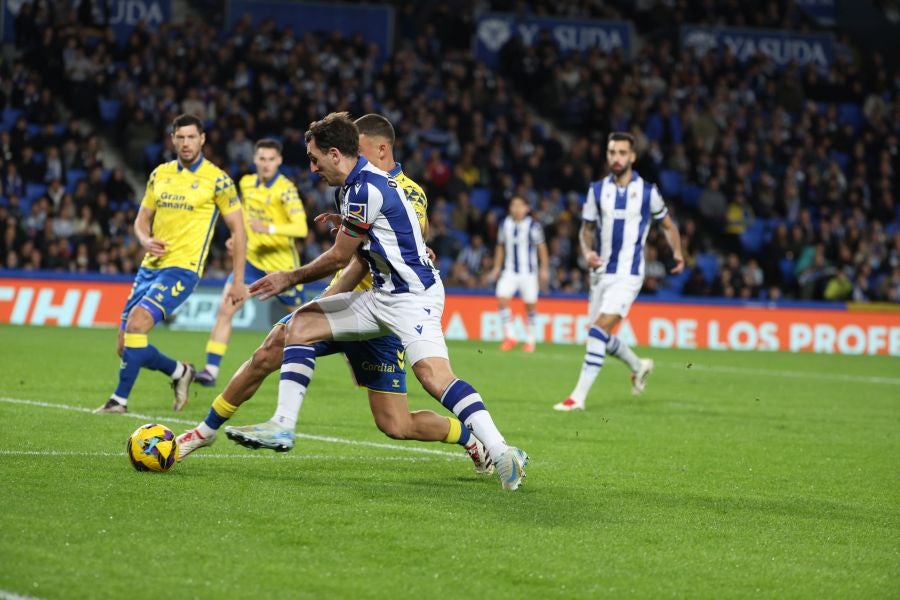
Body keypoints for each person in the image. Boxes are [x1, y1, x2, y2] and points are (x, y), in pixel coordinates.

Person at [175, 114, 493, 476]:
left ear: (381, 149)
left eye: (361, 146)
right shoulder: (350, 186)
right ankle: (204, 432)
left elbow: (365, 256)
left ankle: (471, 437)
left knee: (396, 424)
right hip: (347, 305)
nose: (353, 152)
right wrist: (328, 295)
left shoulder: (407, 191)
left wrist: (317, 283)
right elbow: (357, 248)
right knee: (268, 351)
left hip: (385, 313)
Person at [242, 112, 527, 489]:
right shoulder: (351, 188)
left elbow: (343, 256)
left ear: (338, 153)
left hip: (414, 296)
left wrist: (289, 276)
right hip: (380, 295)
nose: (312, 168)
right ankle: (282, 425)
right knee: (302, 323)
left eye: (314, 159)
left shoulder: (367, 188)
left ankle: (502, 450)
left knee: (432, 376)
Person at [95, 114, 246, 414]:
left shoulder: (218, 180)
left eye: (192, 137)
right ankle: (180, 372)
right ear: (173, 139)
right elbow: (142, 220)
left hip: (183, 268)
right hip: (150, 266)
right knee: (125, 344)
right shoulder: (159, 174)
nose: (186, 143)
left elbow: (238, 230)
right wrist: (143, 239)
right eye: (181, 137)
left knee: (138, 324)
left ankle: (119, 401)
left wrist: (239, 280)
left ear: (202, 139)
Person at [554, 132, 683, 411]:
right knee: (598, 335)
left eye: (622, 153)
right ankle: (639, 365)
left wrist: (678, 253)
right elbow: (586, 230)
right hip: (600, 274)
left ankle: (577, 397)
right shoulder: (597, 191)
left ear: (632, 157)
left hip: (629, 274)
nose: (616, 157)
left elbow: (668, 225)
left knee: (599, 329)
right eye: (612, 152)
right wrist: (587, 252)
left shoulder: (648, 192)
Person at [194, 139, 308, 387]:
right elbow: (243, 217)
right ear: (255, 159)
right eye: (262, 159)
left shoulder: (286, 190)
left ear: (279, 161)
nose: (266, 164)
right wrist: (237, 238)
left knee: (304, 325)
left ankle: (346, 355)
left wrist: (268, 227)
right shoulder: (246, 183)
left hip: (282, 269)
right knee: (226, 309)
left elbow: (300, 227)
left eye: (271, 159)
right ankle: (210, 371)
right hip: (250, 263)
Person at [488, 195, 549, 352]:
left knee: (530, 306)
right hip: (510, 271)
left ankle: (530, 340)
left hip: (528, 273)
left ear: (526, 208)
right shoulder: (505, 224)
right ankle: (510, 336)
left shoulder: (533, 226)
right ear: (510, 208)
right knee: (501, 298)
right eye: (513, 205)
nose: (516, 208)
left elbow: (541, 247)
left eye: (520, 205)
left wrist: (544, 268)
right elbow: (500, 246)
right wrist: (496, 267)